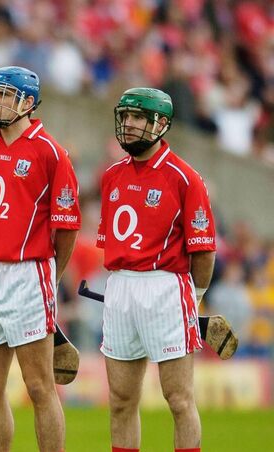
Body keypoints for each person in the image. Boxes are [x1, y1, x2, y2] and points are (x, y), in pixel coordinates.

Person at [0, 66, 80, 452]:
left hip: (27, 274)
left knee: (38, 385)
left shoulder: (50, 152)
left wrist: (49, 275)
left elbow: (67, 227)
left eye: (4, 95)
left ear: (27, 103)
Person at [97, 87, 216, 452]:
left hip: (166, 287)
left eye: (138, 118)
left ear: (161, 124)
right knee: (120, 402)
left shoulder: (184, 178)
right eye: (126, 117)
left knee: (178, 399)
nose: (128, 125)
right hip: (119, 287)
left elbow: (204, 250)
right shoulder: (112, 176)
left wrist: (193, 298)